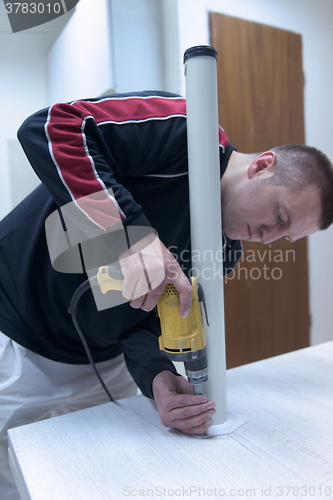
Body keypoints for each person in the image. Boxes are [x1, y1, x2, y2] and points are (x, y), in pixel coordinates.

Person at [1, 91, 332, 500]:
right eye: (278, 217)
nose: (268, 239)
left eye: (284, 236)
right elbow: (53, 128)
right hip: (15, 333)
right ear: (263, 166)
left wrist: (157, 375)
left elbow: (143, 319)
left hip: (99, 365)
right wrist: (130, 235)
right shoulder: (187, 133)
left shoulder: (223, 253)